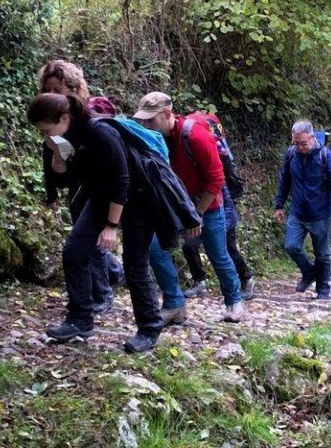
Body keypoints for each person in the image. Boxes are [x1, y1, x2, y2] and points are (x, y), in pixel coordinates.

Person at [27, 92, 199, 352]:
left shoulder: (100, 132)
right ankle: (79, 319)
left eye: (47, 130)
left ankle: (149, 328)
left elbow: (122, 180)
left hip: (139, 198)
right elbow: (67, 181)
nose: (45, 135)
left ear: (64, 117)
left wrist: (110, 227)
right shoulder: (62, 138)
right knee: (74, 251)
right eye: (41, 132)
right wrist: (57, 155)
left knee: (135, 264)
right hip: (101, 198)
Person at [134, 92, 245, 323]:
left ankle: (234, 300)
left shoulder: (196, 136)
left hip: (208, 204)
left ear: (166, 115)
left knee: (218, 254)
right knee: (155, 247)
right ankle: (175, 303)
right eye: (142, 120)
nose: (145, 124)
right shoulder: (155, 138)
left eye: (150, 120)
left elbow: (216, 180)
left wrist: (196, 215)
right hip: (176, 202)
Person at [37, 59, 123, 298]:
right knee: (85, 238)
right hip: (77, 188)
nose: (52, 94)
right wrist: (51, 192)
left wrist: (112, 223)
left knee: (88, 241)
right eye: (47, 90)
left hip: (98, 190)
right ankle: (113, 274)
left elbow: (117, 172)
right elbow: (51, 156)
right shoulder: (52, 120)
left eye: (57, 89)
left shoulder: (89, 120)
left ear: (72, 89)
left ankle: (102, 293)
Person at [182, 111, 255, 301]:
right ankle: (200, 281)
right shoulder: (192, 147)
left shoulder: (217, 152)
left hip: (223, 206)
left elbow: (227, 182)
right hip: (201, 206)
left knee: (227, 248)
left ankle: (246, 279)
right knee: (189, 246)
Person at [274, 120, 331, 301]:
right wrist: (279, 205)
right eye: (295, 143)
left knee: (322, 254)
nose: (299, 147)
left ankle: (323, 290)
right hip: (298, 212)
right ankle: (309, 272)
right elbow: (285, 181)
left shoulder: (325, 156)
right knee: (291, 246)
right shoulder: (291, 155)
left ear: (312, 138)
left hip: (320, 214)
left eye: (303, 143)